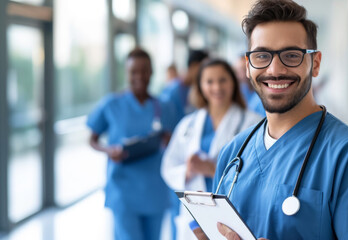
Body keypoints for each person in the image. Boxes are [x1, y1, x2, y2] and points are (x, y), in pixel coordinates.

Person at [209, 0, 348, 239]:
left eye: (291, 55)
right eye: (262, 56)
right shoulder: (233, 153)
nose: (274, 69)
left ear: (316, 63)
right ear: (248, 67)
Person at [161, 59, 262, 240]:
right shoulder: (188, 124)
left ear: (233, 82)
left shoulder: (253, 123)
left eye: (223, 80)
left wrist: (213, 169)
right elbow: (168, 167)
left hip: (234, 215)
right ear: (200, 86)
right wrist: (188, 170)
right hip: (195, 215)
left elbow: (261, 173)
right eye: (209, 81)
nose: (217, 87)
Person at [86, 48, 175, 240]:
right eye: (134, 71)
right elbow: (92, 139)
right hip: (123, 191)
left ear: (151, 72)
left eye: (145, 70)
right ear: (126, 73)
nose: (140, 76)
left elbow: (176, 142)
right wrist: (109, 150)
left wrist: (168, 141)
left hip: (154, 190)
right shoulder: (111, 104)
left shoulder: (164, 107)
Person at [159, 49, 209, 122]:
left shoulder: (197, 90)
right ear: (193, 66)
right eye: (203, 68)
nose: (205, 73)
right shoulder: (171, 91)